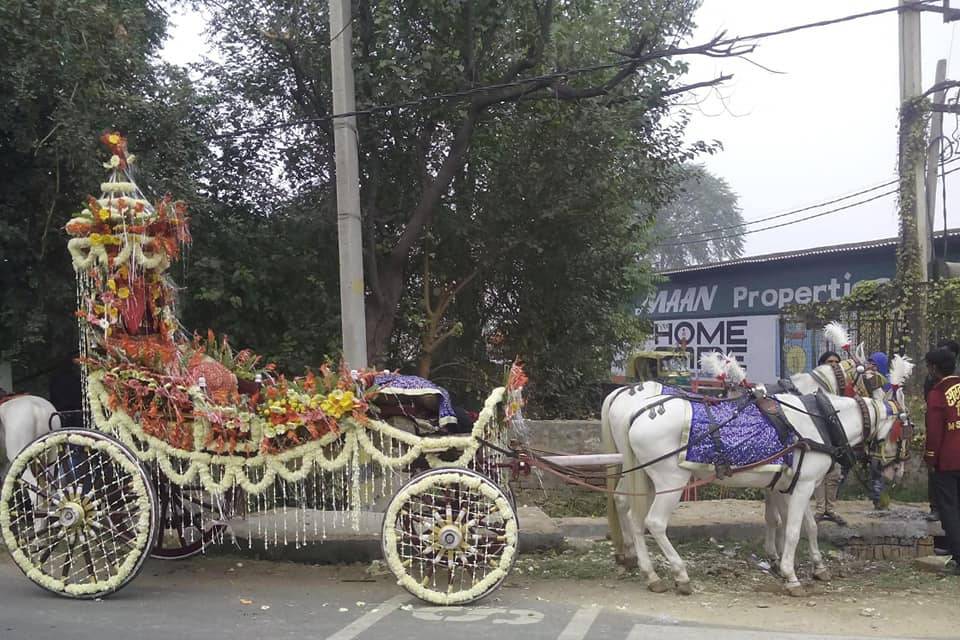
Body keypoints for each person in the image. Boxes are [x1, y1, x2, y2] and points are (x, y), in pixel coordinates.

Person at [923, 348, 960, 575]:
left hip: (947, 461)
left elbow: (935, 432)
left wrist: (930, 457)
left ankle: (958, 557)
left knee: (949, 510)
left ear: (935, 369)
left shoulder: (938, 393)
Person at [812, 352, 848, 525]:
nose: (833, 365)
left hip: (837, 434)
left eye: (836, 362)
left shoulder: (843, 386)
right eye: (829, 362)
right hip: (818, 432)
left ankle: (830, 509)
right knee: (820, 472)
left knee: (834, 473)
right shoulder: (813, 383)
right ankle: (820, 510)